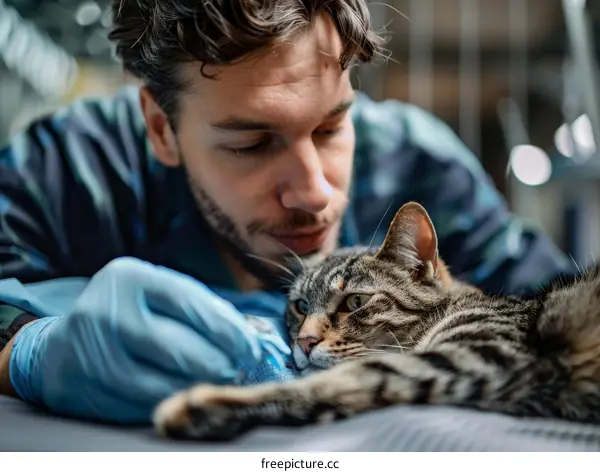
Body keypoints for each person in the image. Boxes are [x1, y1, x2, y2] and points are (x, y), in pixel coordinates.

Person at [0, 0, 575, 425]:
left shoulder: (420, 164)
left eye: (332, 126)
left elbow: (551, 316)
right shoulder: (71, 166)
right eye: (251, 144)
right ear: (161, 128)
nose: (315, 193)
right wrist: (26, 351)